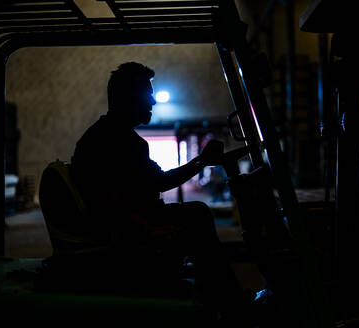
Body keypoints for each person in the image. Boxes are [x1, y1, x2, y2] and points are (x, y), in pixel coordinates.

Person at [70, 62, 252, 325]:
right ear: (128, 97)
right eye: (147, 93)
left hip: (133, 221)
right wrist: (147, 230)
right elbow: (107, 202)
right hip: (128, 233)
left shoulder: (112, 137)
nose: (153, 100)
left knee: (197, 212)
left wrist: (201, 161)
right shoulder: (116, 142)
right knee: (197, 217)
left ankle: (225, 300)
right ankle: (234, 307)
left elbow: (158, 181)